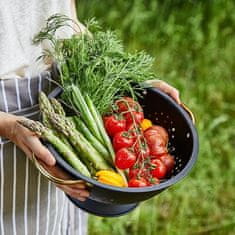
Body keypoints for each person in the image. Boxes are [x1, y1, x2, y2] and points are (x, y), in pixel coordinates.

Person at [0, 1, 181, 234]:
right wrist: (10, 126)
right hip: (6, 116)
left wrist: (123, 75)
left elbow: (67, 19)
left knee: (55, 221)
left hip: (63, 90)